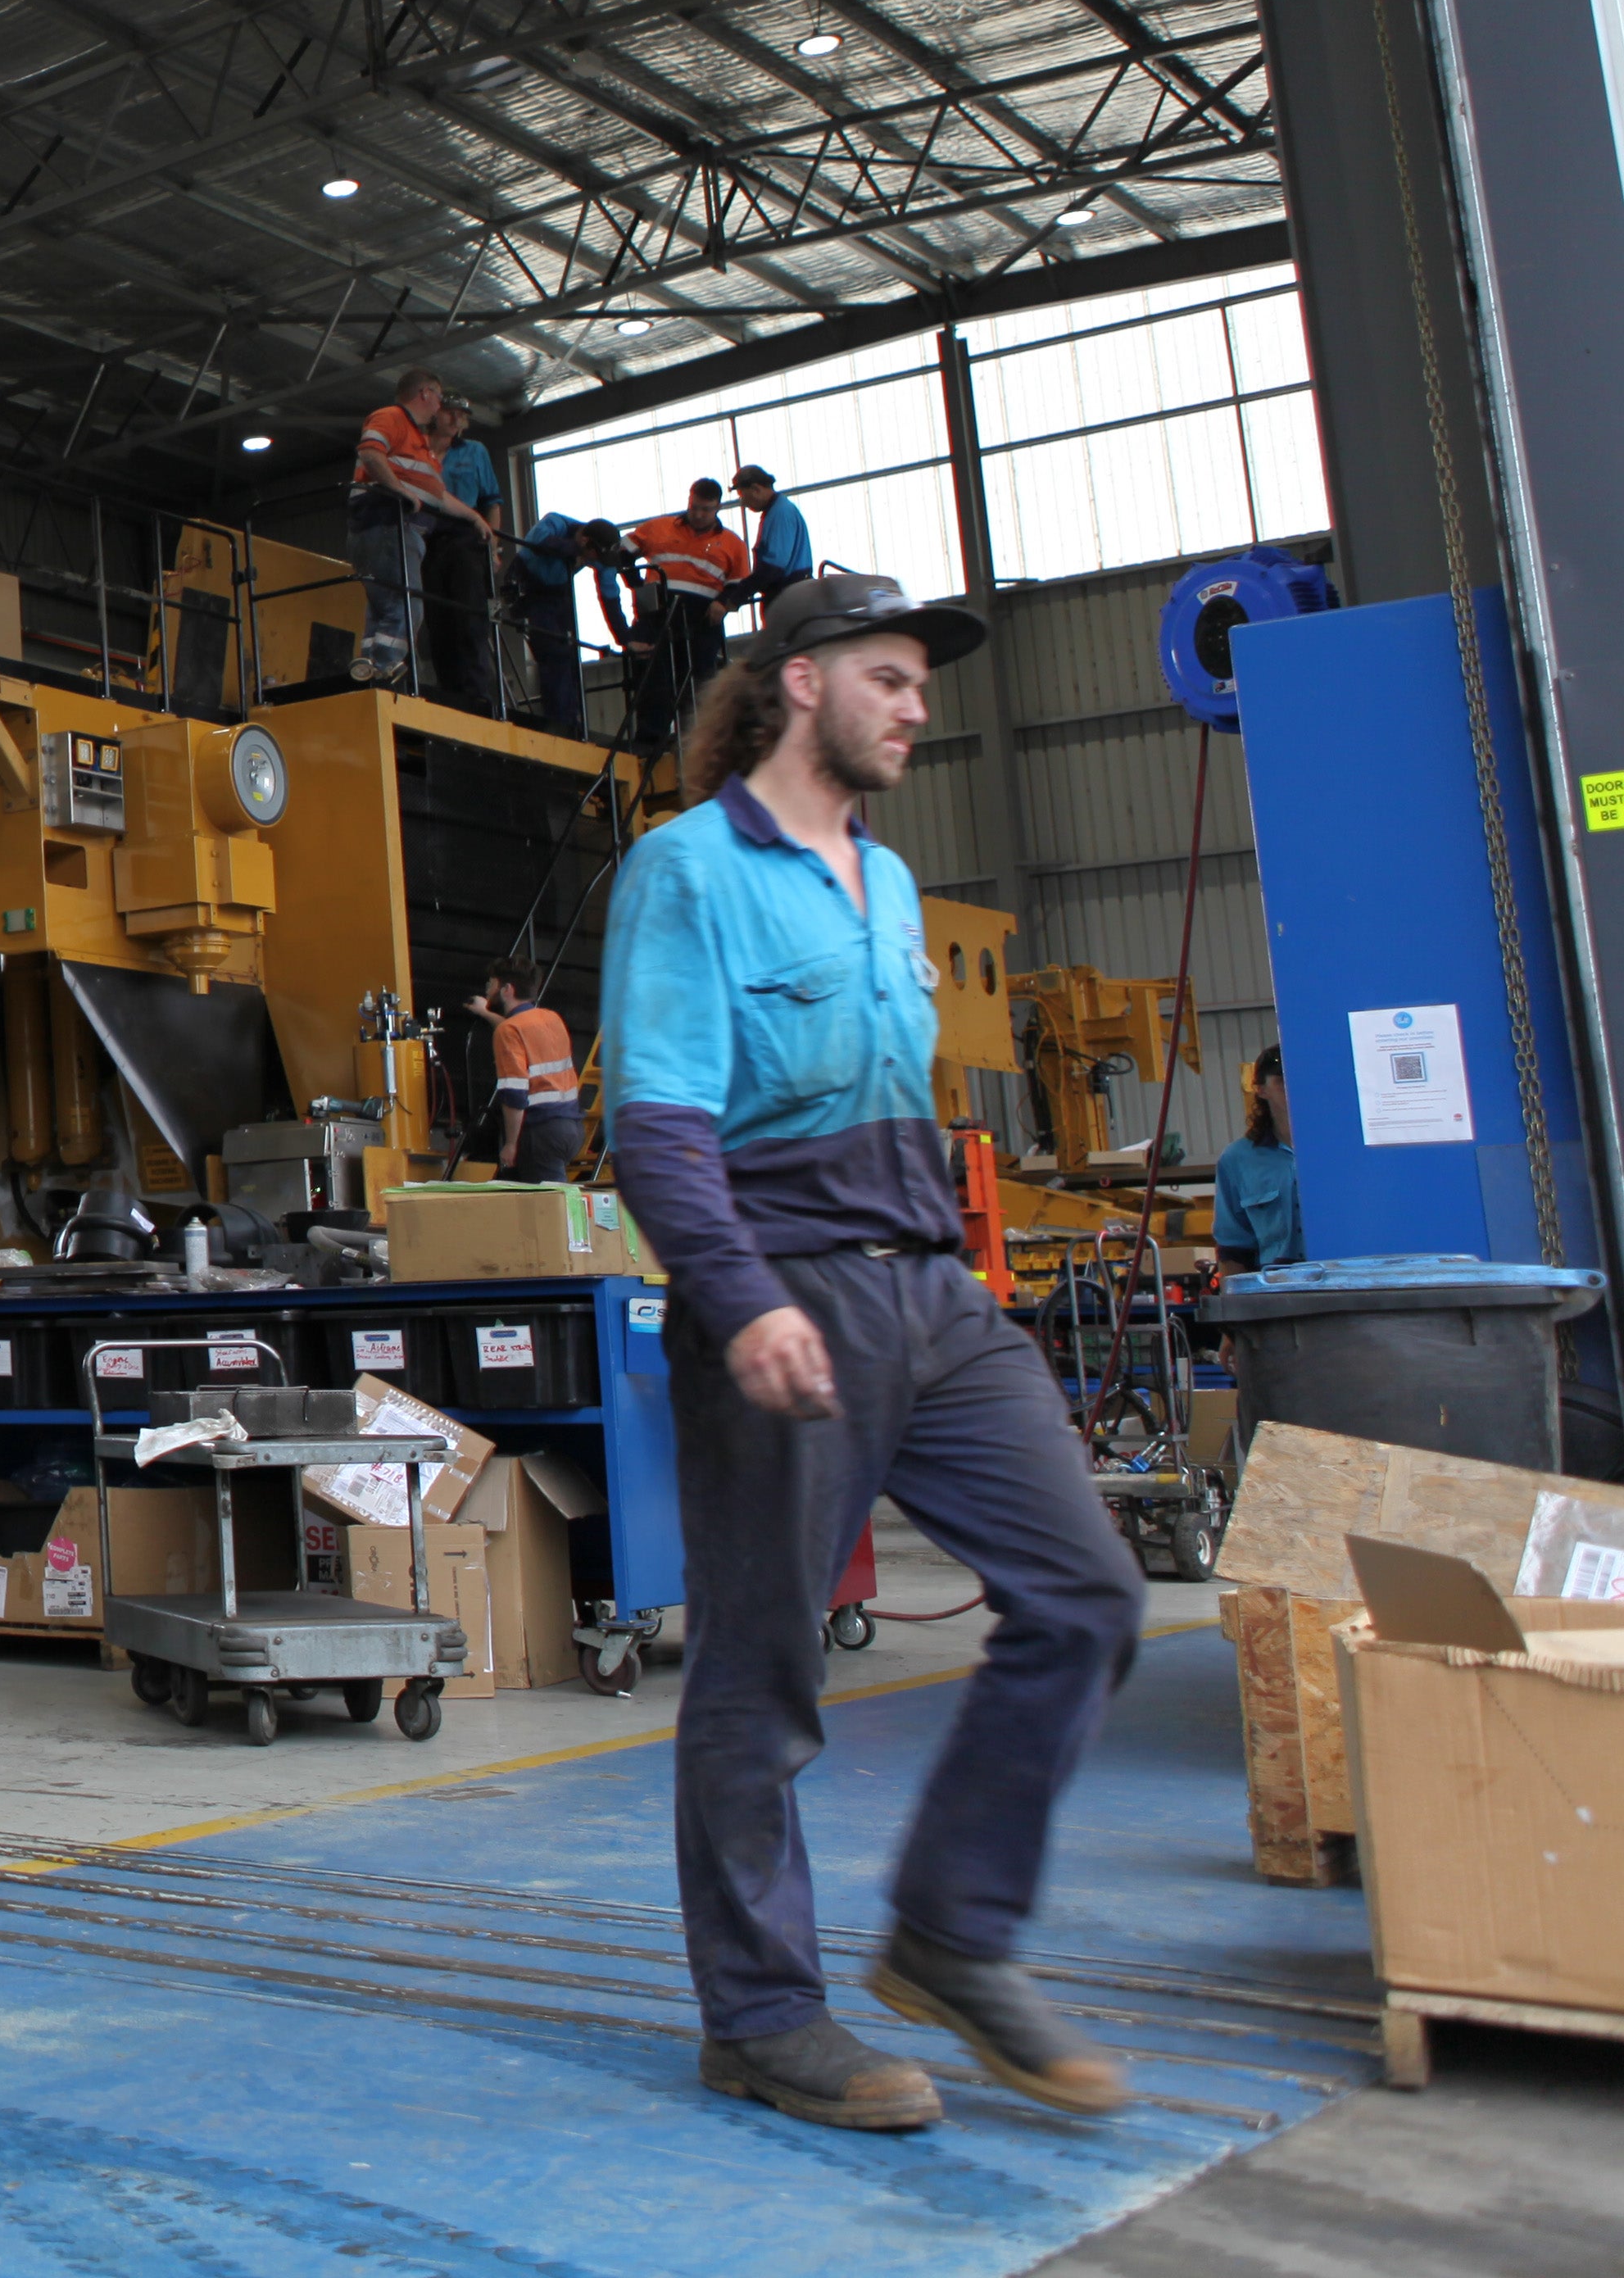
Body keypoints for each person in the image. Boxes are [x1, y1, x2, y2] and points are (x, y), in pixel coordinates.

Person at [600, 570, 1147, 2133]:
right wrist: (742, 1294)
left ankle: (953, 1932)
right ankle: (763, 2012)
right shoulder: (688, 871)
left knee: (1088, 1591)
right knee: (762, 1673)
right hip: (786, 1289)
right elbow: (656, 1124)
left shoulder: (888, 883)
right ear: (800, 681)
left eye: (919, 681)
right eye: (892, 677)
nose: (917, 705)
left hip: (934, 1292)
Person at [344, 369, 486, 690]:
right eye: (438, 397)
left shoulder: (420, 443)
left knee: (385, 607)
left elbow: (439, 496)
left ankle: (369, 666)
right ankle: (384, 670)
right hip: (387, 524)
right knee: (406, 605)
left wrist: (474, 517)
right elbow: (369, 452)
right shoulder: (391, 417)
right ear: (425, 393)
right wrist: (398, 490)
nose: (440, 406)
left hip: (388, 529)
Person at [624, 479, 751, 752]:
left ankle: (697, 745)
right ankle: (649, 740)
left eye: (706, 509)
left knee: (698, 681)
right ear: (689, 500)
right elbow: (622, 551)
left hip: (702, 620)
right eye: (695, 507)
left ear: (718, 507)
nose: (699, 514)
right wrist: (635, 585)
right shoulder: (658, 528)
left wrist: (724, 604)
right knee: (653, 676)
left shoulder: (732, 544)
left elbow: (741, 584)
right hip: (658, 615)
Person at [502, 514, 633, 739]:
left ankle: (571, 723)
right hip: (528, 587)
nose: (598, 561)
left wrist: (625, 639)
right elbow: (540, 541)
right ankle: (561, 725)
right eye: (596, 555)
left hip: (558, 594)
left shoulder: (599, 555)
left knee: (569, 655)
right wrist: (573, 550)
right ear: (585, 542)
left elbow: (610, 594)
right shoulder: (556, 523)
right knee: (554, 655)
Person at [425, 396, 506, 714]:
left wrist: (493, 547)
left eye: (462, 415)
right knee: (437, 620)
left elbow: (492, 501)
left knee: (470, 618)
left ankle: (476, 693)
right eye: (451, 413)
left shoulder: (475, 452)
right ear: (436, 414)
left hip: (466, 538)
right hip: (427, 540)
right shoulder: (420, 449)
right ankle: (450, 693)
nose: (457, 419)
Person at [470, 967, 583, 1182]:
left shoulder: (509, 1031)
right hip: (570, 1128)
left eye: (491, 985)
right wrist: (485, 1013)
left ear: (507, 990)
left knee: (548, 1206)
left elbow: (514, 1093)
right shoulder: (551, 1018)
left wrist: (511, 1144)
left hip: (541, 1131)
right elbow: (519, 1028)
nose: (487, 991)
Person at [1212, 1046, 1303, 1270]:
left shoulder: (1341, 1151)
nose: (1294, 1086)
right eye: (1282, 1080)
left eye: (1300, 1076)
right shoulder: (1237, 1160)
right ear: (1261, 1090)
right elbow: (1233, 1247)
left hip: (1343, 1279)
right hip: (1277, 1286)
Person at [729, 464, 817, 611]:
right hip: (793, 594)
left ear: (756, 489)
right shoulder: (777, 510)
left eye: (743, 496)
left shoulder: (780, 514)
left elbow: (772, 568)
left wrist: (737, 596)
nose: (743, 503)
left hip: (790, 599)